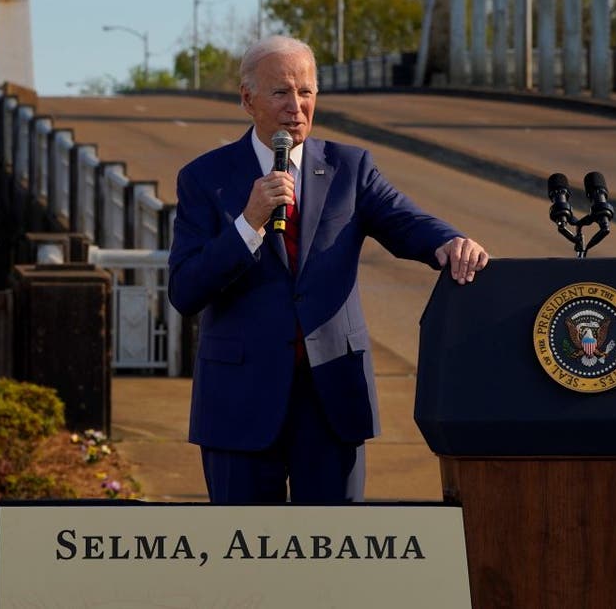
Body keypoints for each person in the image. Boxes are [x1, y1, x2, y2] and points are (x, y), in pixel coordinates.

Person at [167, 35, 489, 504]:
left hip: (331, 397)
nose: (295, 106)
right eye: (280, 92)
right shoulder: (203, 178)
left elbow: (404, 219)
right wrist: (248, 224)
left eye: (306, 92)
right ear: (247, 98)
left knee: (336, 562)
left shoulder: (349, 168)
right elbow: (185, 290)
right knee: (242, 562)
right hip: (239, 402)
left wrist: (450, 243)